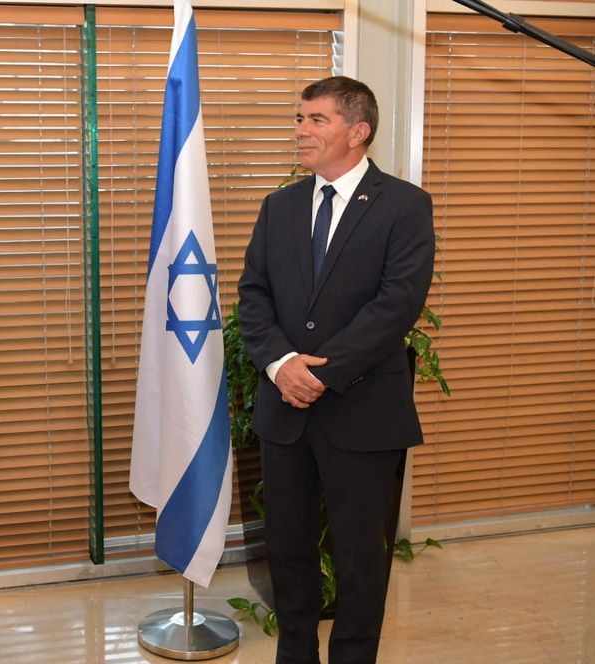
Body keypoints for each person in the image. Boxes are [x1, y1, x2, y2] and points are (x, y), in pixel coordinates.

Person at [238, 76, 435, 664]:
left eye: (316, 119)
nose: (301, 130)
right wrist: (281, 365)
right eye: (299, 118)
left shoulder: (404, 205)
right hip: (285, 412)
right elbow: (254, 295)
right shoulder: (279, 206)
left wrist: (321, 374)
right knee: (288, 551)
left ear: (358, 131)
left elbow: (397, 304)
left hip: (363, 412)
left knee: (360, 558)